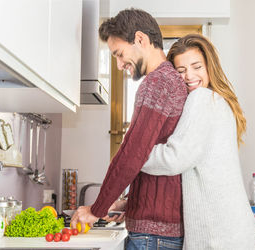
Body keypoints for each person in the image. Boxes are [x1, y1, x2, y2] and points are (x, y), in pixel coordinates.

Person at [70, 8, 187, 249]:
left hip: (152, 236)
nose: (120, 64)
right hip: (157, 231)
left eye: (120, 54)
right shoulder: (167, 80)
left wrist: (96, 208)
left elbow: (133, 153)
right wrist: (127, 202)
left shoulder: (158, 82)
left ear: (141, 39)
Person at [139, 34, 255, 249]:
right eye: (181, 70)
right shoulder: (219, 101)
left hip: (218, 236)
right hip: (233, 231)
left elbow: (175, 158)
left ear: (209, 67)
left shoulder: (202, 98)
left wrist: (134, 153)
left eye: (197, 67)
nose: (189, 76)